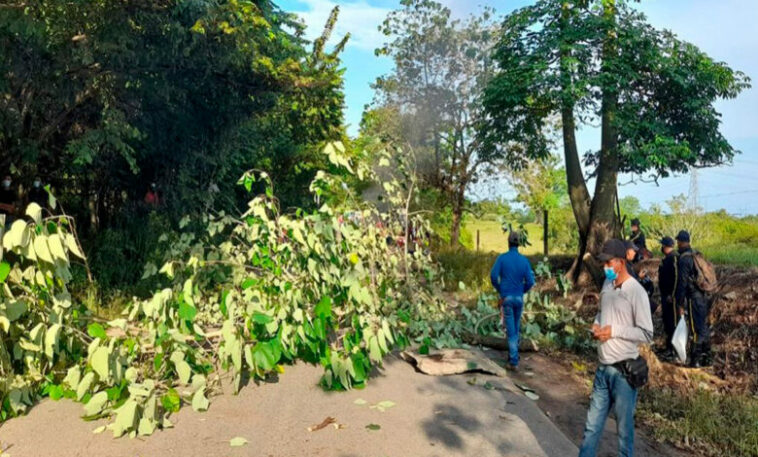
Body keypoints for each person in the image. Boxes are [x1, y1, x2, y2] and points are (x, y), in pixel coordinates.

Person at [578, 239, 653, 457]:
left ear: (620, 262)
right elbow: (602, 312)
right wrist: (597, 323)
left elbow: (647, 333)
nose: (605, 268)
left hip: (623, 374)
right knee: (591, 427)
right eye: (603, 264)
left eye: (608, 263)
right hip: (603, 370)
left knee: (624, 433)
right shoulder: (606, 286)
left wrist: (614, 331)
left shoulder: (636, 292)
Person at [489, 231, 535, 371]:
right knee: (516, 327)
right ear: (519, 244)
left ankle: (513, 361)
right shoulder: (524, 261)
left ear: (508, 243)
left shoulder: (502, 259)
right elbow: (531, 281)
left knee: (511, 331)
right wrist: (522, 291)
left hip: (507, 298)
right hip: (519, 299)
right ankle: (514, 355)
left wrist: (500, 289)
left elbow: (493, 276)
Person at [675, 230, 711, 368]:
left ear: (681, 242)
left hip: (693, 298)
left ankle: (695, 360)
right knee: (702, 326)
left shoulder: (684, 259)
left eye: (678, 241)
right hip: (703, 295)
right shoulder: (696, 255)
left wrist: (680, 303)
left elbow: (682, 283)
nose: (677, 244)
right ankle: (707, 358)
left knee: (696, 329)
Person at [658, 236, 680, 359]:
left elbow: (676, 278)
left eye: (662, 245)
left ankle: (674, 350)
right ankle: (668, 347)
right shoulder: (666, 258)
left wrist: (672, 295)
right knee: (667, 323)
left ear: (666, 246)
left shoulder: (674, 258)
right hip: (665, 296)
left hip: (671, 298)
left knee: (672, 323)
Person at [625, 241, 656, 314]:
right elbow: (628, 285)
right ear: (628, 251)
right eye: (633, 251)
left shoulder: (629, 264)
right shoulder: (625, 266)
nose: (635, 253)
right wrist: (639, 277)